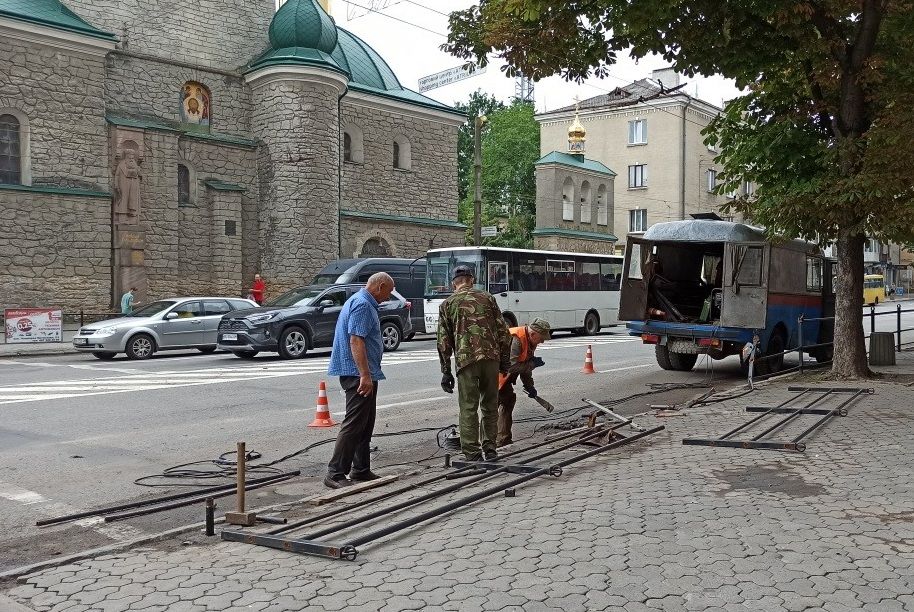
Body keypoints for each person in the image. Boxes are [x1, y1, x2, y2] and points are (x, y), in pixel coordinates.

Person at [324, 272, 395, 489]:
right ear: (380, 286)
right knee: (354, 423)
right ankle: (335, 473)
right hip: (358, 375)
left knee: (365, 423)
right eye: (388, 292)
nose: (388, 297)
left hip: (365, 373)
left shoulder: (362, 302)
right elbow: (356, 340)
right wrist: (364, 374)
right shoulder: (363, 305)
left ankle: (361, 469)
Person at [437, 265, 510, 462]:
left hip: (466, 362)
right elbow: (504, 332)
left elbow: (443, 342)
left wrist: (446, 371)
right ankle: (491, 449)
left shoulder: (447, 304)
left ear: (454, 283)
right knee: (490, 405)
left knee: (468, 407)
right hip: (491, 360)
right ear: (472, 279)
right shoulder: (488, 298)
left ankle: (472, 453)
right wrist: (504, 361)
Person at [496, 318, 551, 447]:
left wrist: (529, 386)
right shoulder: (516, 340)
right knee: (491, 410)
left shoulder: (530, 341)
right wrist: (531, 364)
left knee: (508, 400)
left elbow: (525, 364)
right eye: (541, 338)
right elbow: (511, 366)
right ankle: (489, 444)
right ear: (533, 334)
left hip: (503, 378)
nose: (542, 341)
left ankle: (503, 440)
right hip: (492, 377)